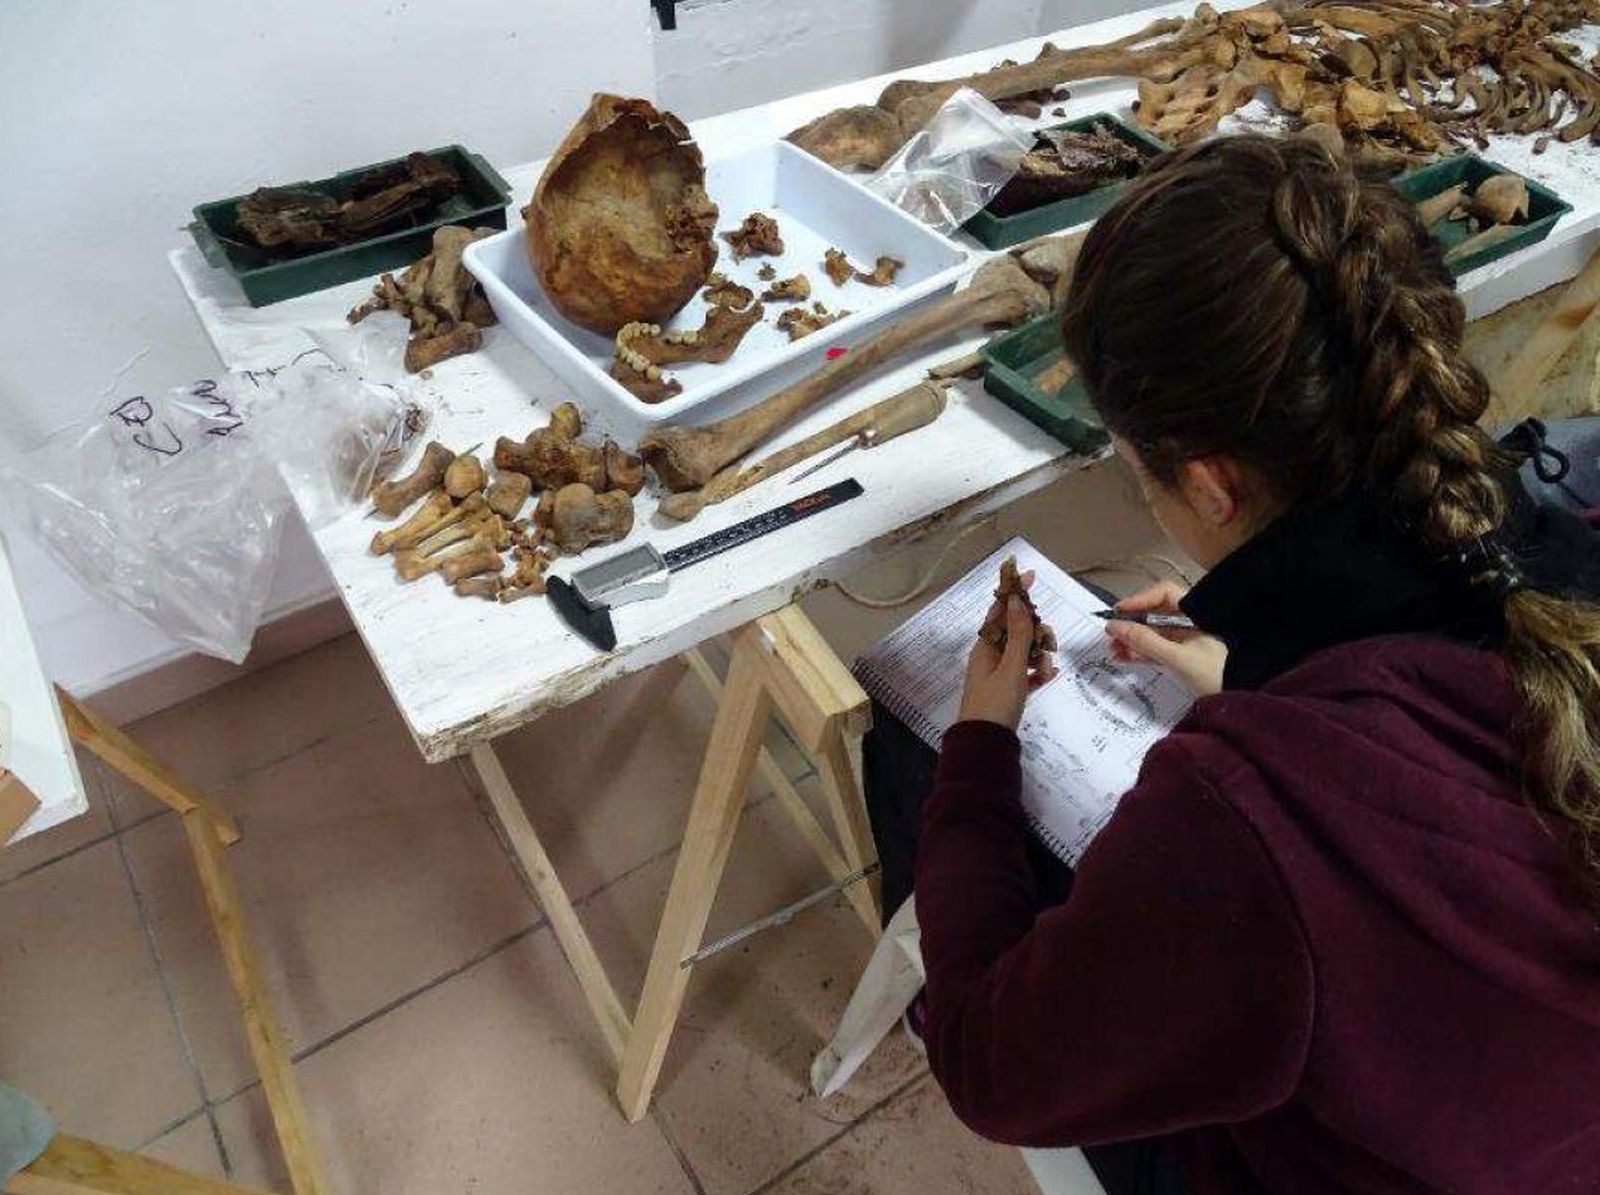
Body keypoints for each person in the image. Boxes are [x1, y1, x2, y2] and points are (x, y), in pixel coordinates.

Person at [898, 134, 1600, 1194]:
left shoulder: (1244, 813)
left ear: (1212, 486)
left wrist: (979, 742)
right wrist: (1270, 662)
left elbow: (989, 1071)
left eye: (1139, 473)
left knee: (908, 769)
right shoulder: (1554, 577)